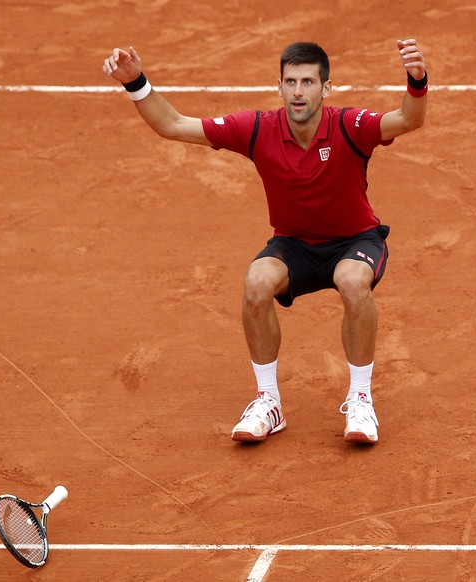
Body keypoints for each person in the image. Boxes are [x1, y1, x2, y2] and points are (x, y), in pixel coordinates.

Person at [102, 39, 427, 444]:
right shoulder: (258, 129)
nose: (298, 91)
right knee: (256, 282)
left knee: (352, 280)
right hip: (294, 245)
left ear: (326, 88)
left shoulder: (350, 125)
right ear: (279, 86)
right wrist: (136, 82)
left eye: (308, 82)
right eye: (290, 81)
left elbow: (408, 119)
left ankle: (361, 399)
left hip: (355, 241)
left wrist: (417, 80)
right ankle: (268, 401)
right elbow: (173, 125)